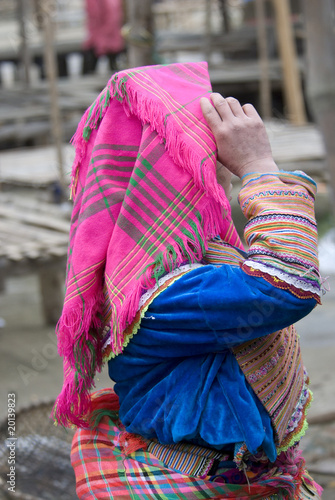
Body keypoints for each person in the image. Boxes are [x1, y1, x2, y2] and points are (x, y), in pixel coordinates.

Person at [53, 62, 323, 499]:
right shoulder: (164, 294)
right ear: (169, 173)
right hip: (199, 479)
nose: (219, 152)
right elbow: (286, 284)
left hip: (231, 471)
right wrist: (258, 165)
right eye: (204, 142)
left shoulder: (197, 253)